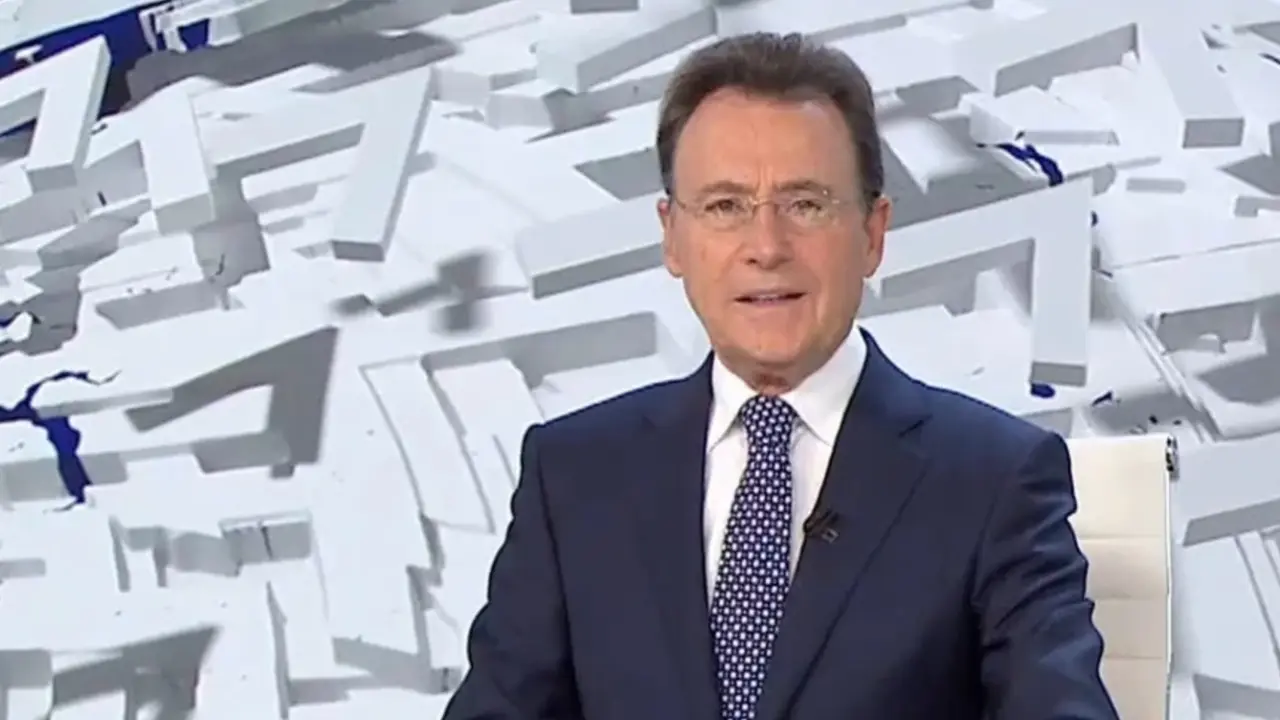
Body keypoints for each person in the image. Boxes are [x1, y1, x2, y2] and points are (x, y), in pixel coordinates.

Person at [443, 31, 1120, 720]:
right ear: (672, 236)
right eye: (725, 206)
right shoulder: (574, 476)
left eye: (806, 204)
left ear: (873, 233)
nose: (766, 247)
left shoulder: (995, 480)